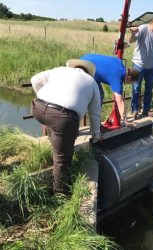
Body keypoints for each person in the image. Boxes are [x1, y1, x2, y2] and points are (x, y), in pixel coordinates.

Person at [31, 59, 101, 194]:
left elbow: (34, 80)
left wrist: (43, 100)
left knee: (57, 130)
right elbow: (95, 113)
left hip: (37, 108)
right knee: (62, 160)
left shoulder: (60, 70)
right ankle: (60, 193)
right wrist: (96, 134)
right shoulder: (91, 82)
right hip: (62, 118)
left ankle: (56, 145)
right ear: (88, 73)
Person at [75, 54, 139, 126]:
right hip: (85, 69)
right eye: (131, 83)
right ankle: (95, 125)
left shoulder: (120, 63)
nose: (129, 84)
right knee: (95, 98)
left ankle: (95, 124)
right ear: (129, 78)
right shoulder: (117, 78)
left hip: (83, 60)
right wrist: (125, 121)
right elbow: (120, 102)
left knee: (100, 94)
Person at [129, 15, 153, 119]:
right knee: (136, 88)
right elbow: (131, 41)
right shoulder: (143, 28)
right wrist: (132, 33)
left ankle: (146, 110)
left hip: (151, 68)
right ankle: (135, 110)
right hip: (138, 65)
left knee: (149, 90)